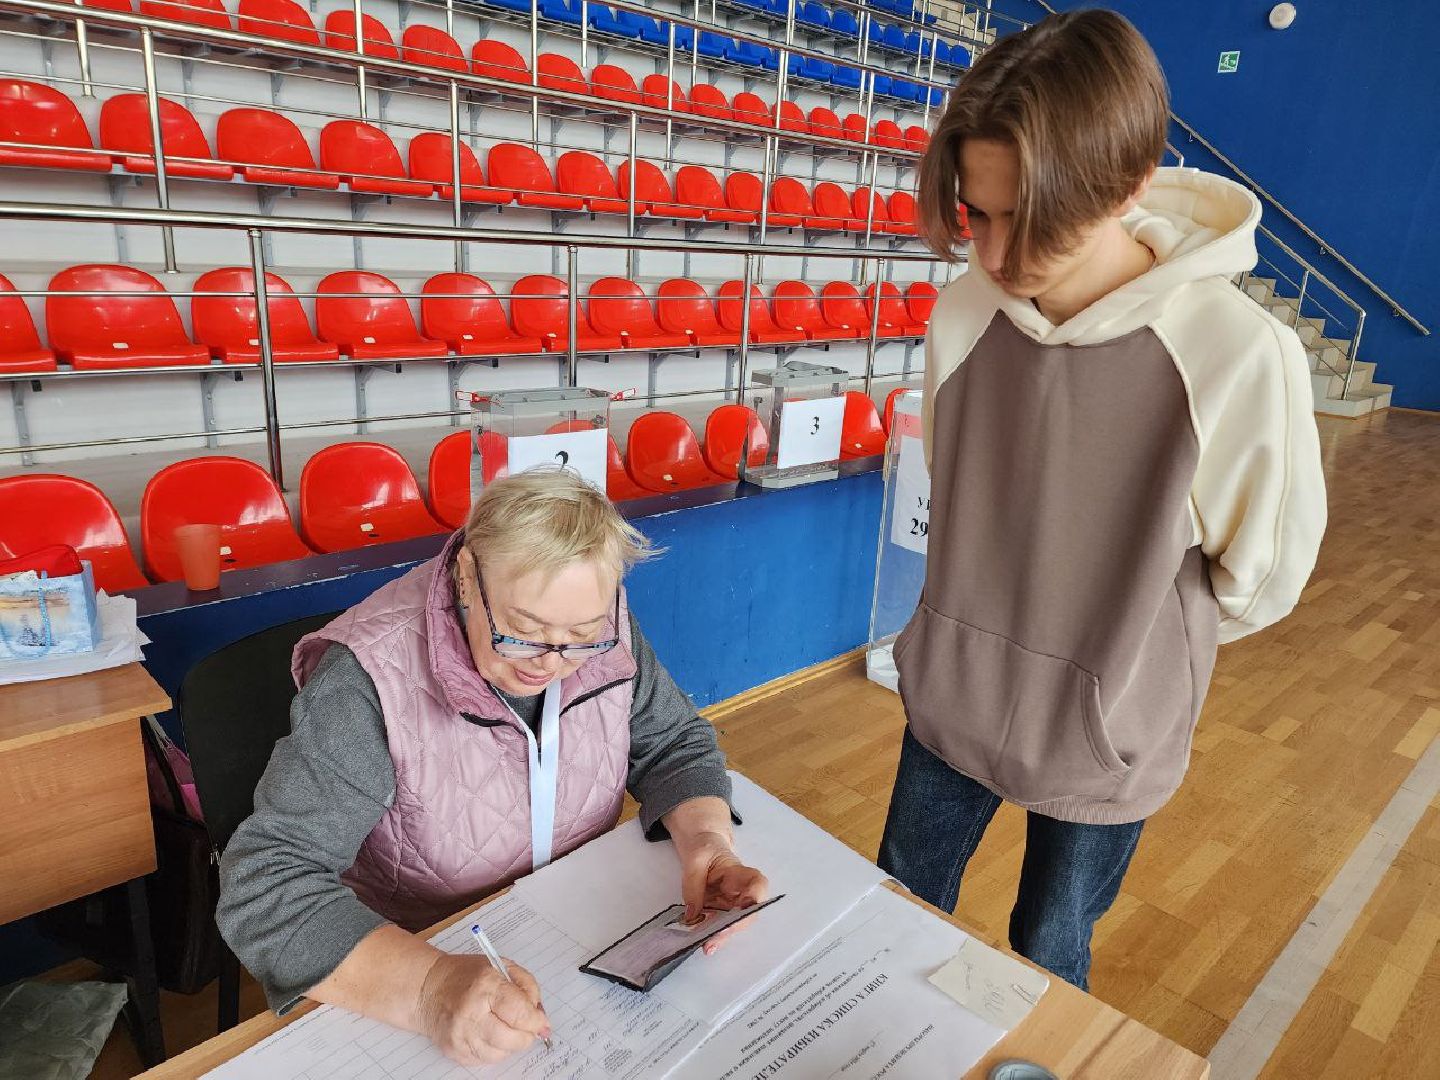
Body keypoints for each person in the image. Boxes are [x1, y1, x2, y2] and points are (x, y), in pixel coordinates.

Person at [879, 10, 1326, 991]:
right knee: (896, 915)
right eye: (976, 214)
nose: (995, 255)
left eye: (1029, 222)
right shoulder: (964, 312)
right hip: (952, 693)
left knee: (1049, 954)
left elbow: (1262, 577)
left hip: (1108, 729)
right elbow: (959, 490)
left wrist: (1125, 648)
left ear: (1129, 187)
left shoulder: (1239, 355)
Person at [218, 467, 767, 1065]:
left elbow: (673, 743)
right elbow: (266, 884)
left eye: (580, 635)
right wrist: (429, 991)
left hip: (569, 926)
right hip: (411, 952)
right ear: (464, 577)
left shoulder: (605, 632)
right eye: (523, 632)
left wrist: (707, 841)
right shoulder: (370, 679)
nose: (552, 663)